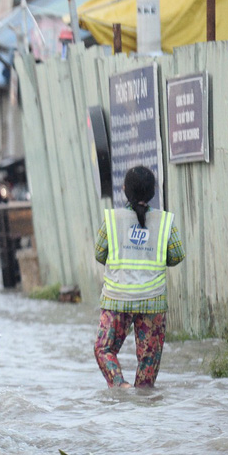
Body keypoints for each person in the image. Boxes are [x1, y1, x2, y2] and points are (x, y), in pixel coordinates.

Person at [93, 165, 184, 388]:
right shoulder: (165, 222)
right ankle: (143, 406)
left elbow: (99, 253)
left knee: (104, 349)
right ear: (153, 192)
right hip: (152, 302)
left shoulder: (112, 220)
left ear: (124, 190)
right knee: (148, 361)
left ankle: (120, 386)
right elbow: (177, 256)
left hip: (117, 298)